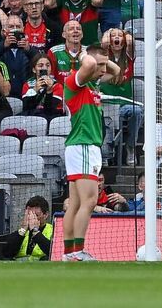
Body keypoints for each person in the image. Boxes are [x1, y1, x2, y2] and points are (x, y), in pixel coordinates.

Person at [62, 47, 120, 261]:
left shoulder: (91, 84)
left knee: (76, 203)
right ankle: (77, 251)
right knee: (90, 201)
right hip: (84, 146)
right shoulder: (74, 82)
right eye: (99, 65)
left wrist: (101, 57)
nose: (103, 69)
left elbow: (116, 70)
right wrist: (85, 54)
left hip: (81, 147)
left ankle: (69, 253)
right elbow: (89, 65)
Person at [0, 195, 53, 260]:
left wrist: (35, 232)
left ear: (46, 215)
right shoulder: (21, 232)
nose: (31, 218)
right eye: (29, 215)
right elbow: (7, 253)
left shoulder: (53, 231)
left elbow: (52, 252)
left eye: (36, 215)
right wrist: (23, 229)